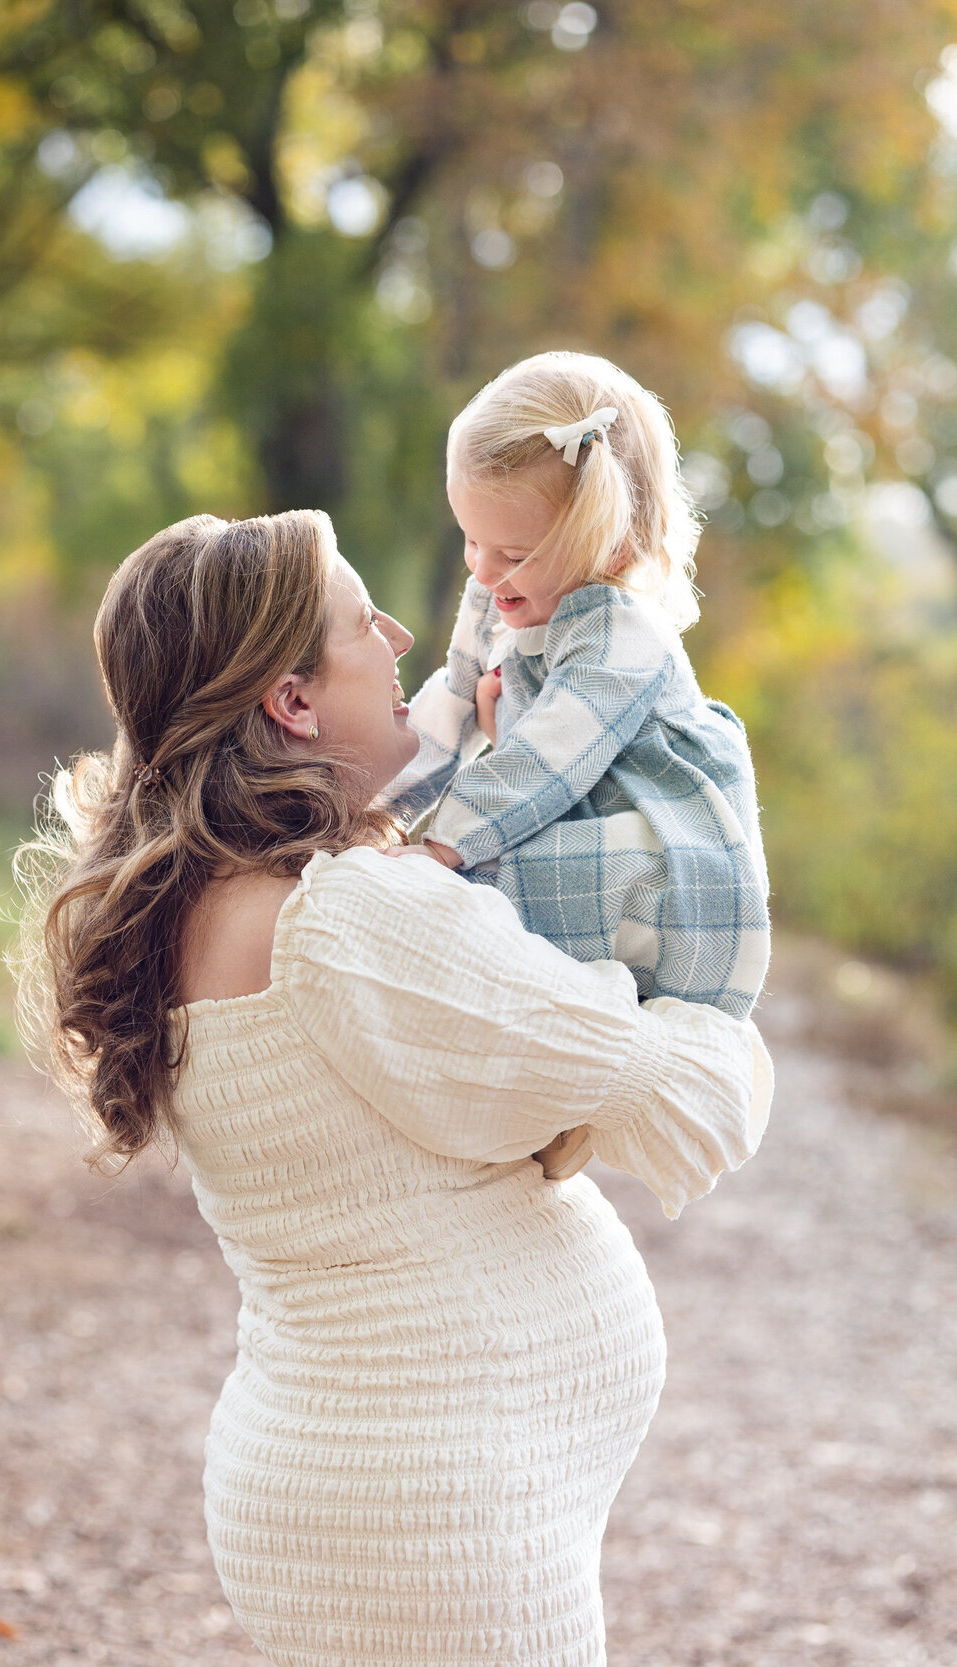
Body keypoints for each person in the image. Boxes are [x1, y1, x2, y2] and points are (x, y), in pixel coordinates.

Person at [12, 508, 773, 1667]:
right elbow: (686, 1095)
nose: (402, 637)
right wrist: (712, 946)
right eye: (365, 620)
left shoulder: (211, 898)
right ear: (293, 701)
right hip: (435, 1525)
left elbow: (439, 1086)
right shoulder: (345, 920)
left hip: (367, 1502)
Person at [384, 350, 771, 1178]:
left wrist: (441, 845)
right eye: (469, 540)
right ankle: (553, 1104)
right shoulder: (501, 590)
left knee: (466, 899)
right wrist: (358, 806)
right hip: (572, 837)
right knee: (464, 892)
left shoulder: (621, 631)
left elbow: (551, 758)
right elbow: (448, 706)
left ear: (612, 536)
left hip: (669, 866)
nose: (482, 573)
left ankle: (553, 1085)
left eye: (512, 552)